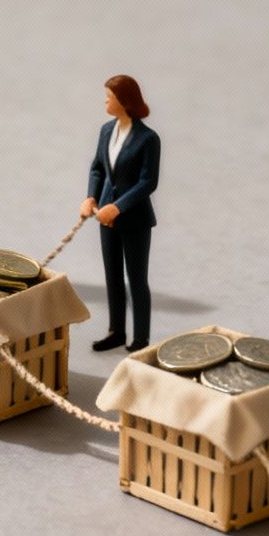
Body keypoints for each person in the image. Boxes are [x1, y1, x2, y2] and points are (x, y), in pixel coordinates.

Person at [82, 75, 160, 352]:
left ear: (124, 100)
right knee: (112, 275)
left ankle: (140, 338)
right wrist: (91, 196)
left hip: (134, 219)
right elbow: (97, 168)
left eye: (109, 96)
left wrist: (118, 206)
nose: (105, 100)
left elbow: (147, 182)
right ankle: (116, 330)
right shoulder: (106, 131)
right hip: (105, 217)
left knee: (136, 278)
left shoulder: (148, 139)